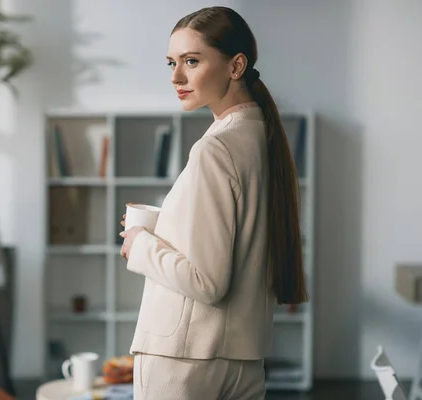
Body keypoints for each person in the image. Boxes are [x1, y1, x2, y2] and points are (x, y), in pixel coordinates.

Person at [118, 6, 308, 400]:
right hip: (243, 359)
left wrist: (139, 243)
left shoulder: (215, 149)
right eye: (172, 62)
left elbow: (207, 282)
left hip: (183, 359)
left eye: (192, 61)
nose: (176, 77)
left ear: (236, 65)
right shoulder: (262, 139)